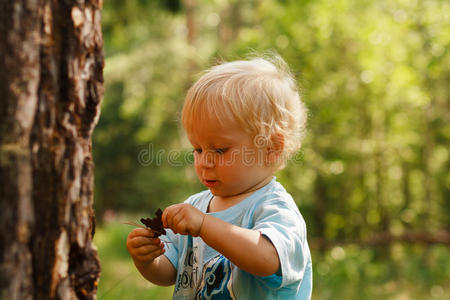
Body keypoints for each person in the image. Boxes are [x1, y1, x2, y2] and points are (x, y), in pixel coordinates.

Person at [126, 55, 312, 299]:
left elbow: (267, 259)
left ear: (271, 149)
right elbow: (170, 273)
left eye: (220, 150)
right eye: (198, 149)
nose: (204, 161)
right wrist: (148, 261)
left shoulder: (275, 209)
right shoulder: (195, 206)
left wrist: (204, 225)